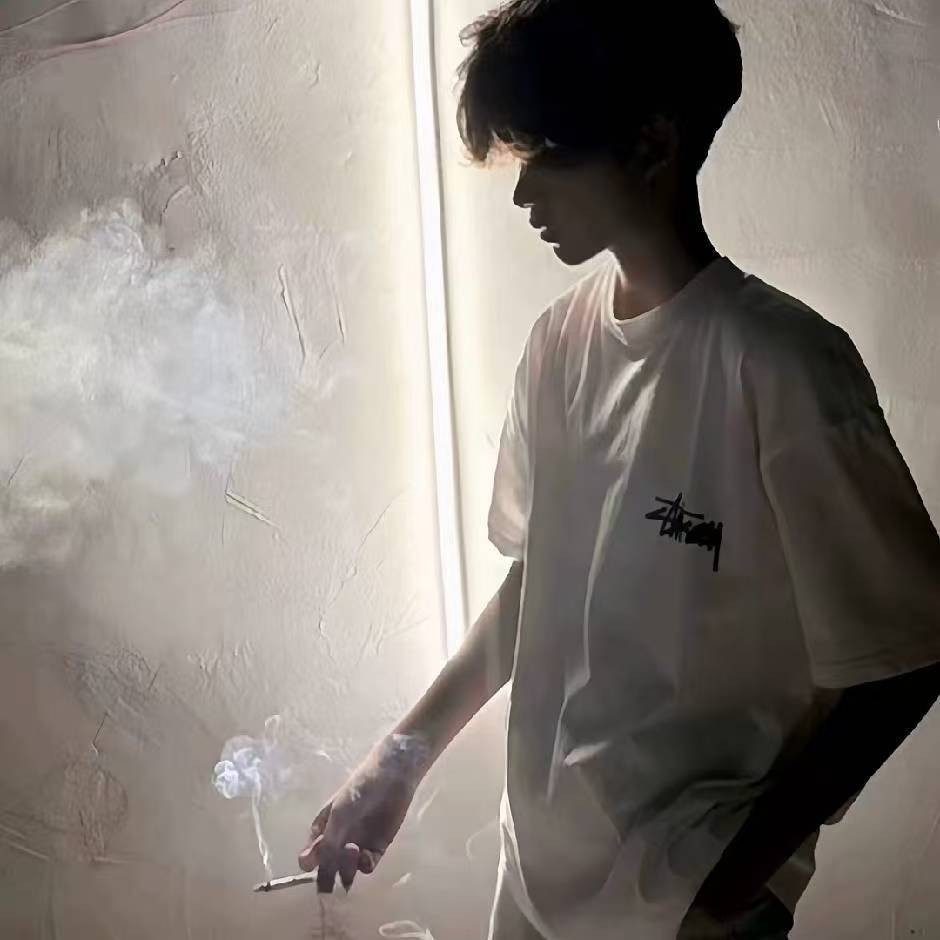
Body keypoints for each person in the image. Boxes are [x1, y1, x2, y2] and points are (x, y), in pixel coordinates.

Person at [297, 1, 940, 937]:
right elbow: (534, 587)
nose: (524, 196)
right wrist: (393, 764)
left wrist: (728, 884)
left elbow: (907, 655)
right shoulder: (557, 344)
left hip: (686, 902)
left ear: (651, 144)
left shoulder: (782, 365)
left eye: (546, 158)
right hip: (533, 881)